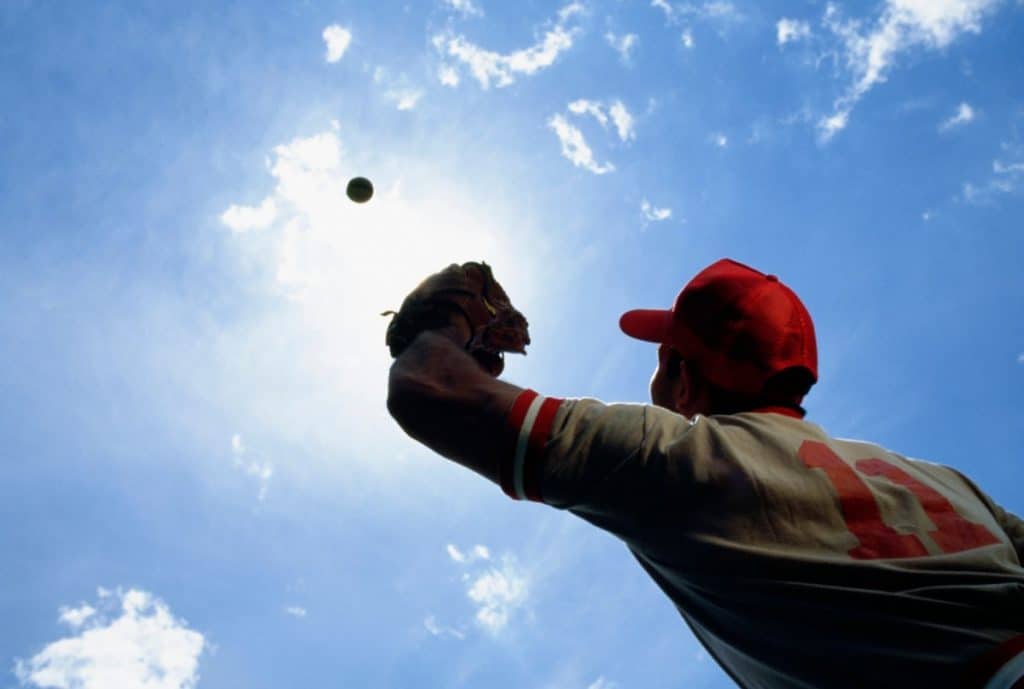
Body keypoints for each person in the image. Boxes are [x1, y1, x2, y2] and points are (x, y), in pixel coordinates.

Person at [386, 257, 1024, 689]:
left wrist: (450, 320)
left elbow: (429, 386)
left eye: (664, 356)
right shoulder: (939, 479)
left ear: (684, 379)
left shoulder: (671, 460)